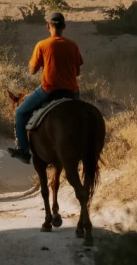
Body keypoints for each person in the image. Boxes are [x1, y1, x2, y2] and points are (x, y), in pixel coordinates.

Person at [9, 12, 83, 164]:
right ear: (64, 27)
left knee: (20, 112)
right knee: (81, 116)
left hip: (49, 89)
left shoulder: (42, 45)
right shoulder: (73, 45)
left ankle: (23, 150)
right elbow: (78, 72)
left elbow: (32, 71)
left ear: (48, 26)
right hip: (71, 91)